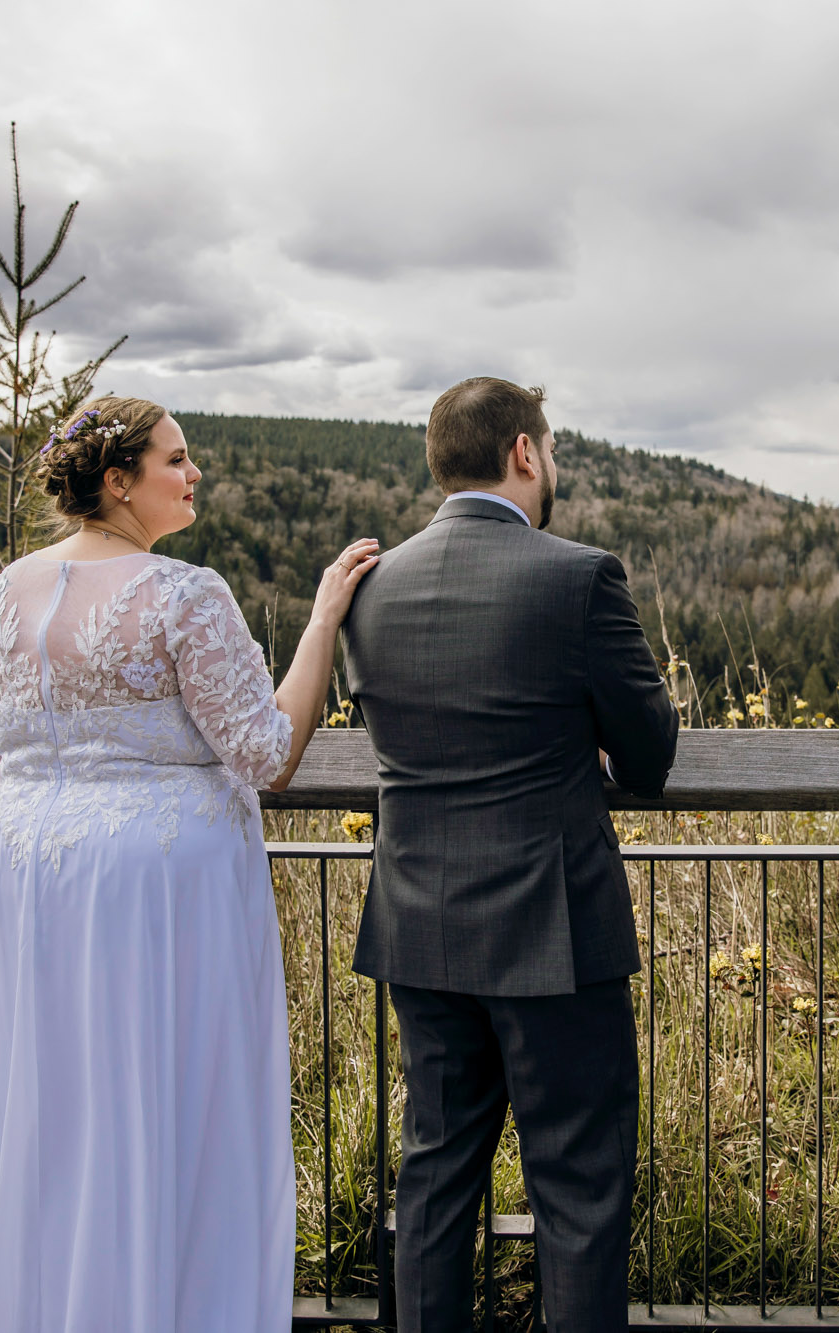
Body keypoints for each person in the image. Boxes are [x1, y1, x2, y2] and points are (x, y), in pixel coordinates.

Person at [0, 395, 379, 1333]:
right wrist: (325, 618)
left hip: (26, 875)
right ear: (119, 482)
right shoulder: (183, 593)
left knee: (39, 1114)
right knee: (161, 1109)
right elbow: (264, 751)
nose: (192, 472)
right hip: (155, 893)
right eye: (176, 459)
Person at [341, 378, 680, 1333]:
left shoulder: (373, 590)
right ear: (524, 454)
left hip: (420, 922)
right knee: (577, 1182)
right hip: (552, 932)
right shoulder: (578, 577)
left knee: (436, 1170)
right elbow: (648, 756)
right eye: (552, 448)